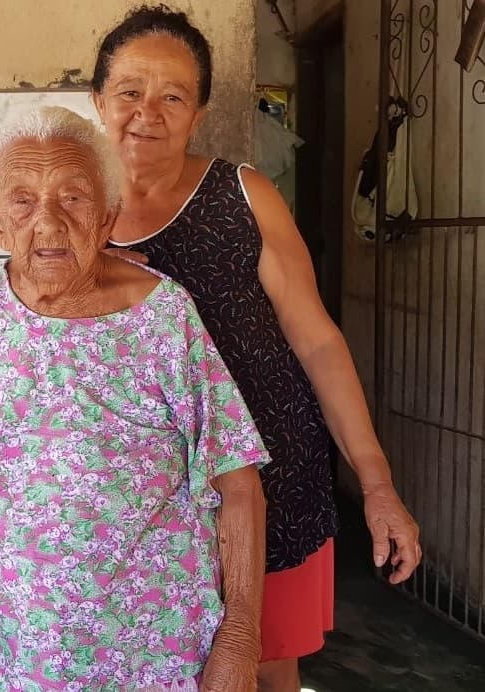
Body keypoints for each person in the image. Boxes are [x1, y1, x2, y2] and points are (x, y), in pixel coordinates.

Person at [0, 106, 270, 691]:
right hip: (23, 664)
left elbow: (238, 483)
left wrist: (239, 639)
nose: (49, 222)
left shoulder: (163, 318)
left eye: (74, 198)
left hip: (155, 664)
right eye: (23, 200)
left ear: (107, 217)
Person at [90, 6, 421, 690]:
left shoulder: (242, 195)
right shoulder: (73, 217)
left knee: (265, 668)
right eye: (129, 90)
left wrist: (377, 484)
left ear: (201, 110)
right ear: (98, 100)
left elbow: (318, 342)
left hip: (271, 486)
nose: (147, 111)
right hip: (140, 510)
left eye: (172, 95)